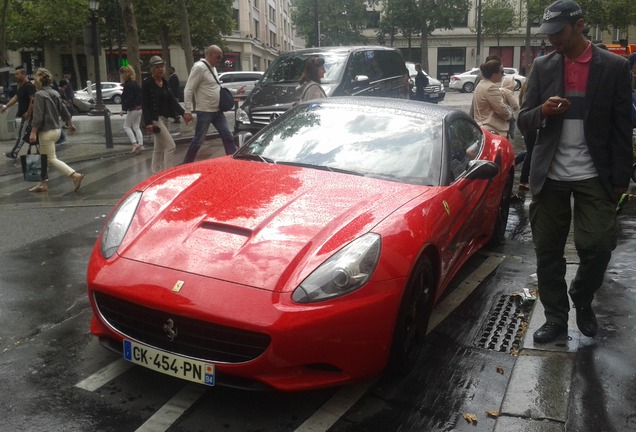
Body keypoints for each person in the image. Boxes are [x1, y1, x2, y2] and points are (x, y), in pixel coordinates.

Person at [517, 0, 632, 344]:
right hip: (549, 173)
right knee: (547, 250)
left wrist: (619, 181)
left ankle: (581, 296)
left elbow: (621, 128)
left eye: (558, 32)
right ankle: (555, 319)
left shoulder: (614, 67)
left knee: (598, 244)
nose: (552, 40)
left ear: (580, 26)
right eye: (548, 34)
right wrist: (543, 111)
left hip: (593, 174)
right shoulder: (542, 65)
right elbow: (523, 119)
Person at [27, 68, 84, 193]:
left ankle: (74, 175)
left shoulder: (39, 95)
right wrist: (70, 124)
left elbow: (38, 116)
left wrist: (33, 132)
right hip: (56, 130)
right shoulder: (55, 93)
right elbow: (64, 110)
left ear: (39, 80)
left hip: (46, 132)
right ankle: (42, 184)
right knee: (44, 157)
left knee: (50, 159)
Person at [181, 45, 237, 163]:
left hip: (218, 111)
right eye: (218, 57)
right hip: (205, 111)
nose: (220, 60)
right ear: (210, 55)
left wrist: (235, 91)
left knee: (228, 136)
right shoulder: (199, 67)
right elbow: (188, 89)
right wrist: (187, 111)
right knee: (198, 141)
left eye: (221, 57)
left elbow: (215, 87)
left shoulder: (213, 68)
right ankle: (186, 164)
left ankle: (234, 163)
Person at [142, 56, 188, 173]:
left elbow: (172, 100)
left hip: (165, 118)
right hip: (155, 120)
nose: (160, 69)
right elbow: (145, 104)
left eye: (162, 66)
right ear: (152, 69)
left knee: (159, 148)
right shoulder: (147, 83)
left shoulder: (166, 83)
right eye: (157, 67)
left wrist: (183, 113)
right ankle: (168, 173)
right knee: (171, 146)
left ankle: (155, 172)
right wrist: (148, 122)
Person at [471, 59, 513, 137]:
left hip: (483, 128)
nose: (503, 75)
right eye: (502, 72)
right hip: (493, 130)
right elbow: (501, 109)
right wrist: (510, 115)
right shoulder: (491, 87)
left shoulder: (481, 84)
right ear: (494, 74)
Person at [1, 66, 36, 159]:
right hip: (25, 114)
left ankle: (14, 152)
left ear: (24, 74)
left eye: (18, 74)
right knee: (24, 133)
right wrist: (6, 106)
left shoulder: (29, 86)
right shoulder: (21, 85)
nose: (16, 76)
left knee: (22, 134)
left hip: (28, 115)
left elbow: (33, 100)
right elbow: (16, 98)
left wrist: (28, 112)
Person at [119, 66, 144, 155]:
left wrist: (123, 109)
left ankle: (134, 143)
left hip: (132, 109)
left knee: (126, 126)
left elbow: (129, 98)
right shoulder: (134, 83)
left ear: (125, 74)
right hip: (139, 108)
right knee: (136, 127)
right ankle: (141, 144)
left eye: (122, 74)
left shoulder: (128, 85)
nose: (121, 76)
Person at [500, 75, 519, 139]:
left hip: (500, 112)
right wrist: (516, 108)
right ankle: (511, 132)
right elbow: (514, 105)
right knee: (513, 120)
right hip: (507, 111)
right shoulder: (508, 92)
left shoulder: (499, 90)